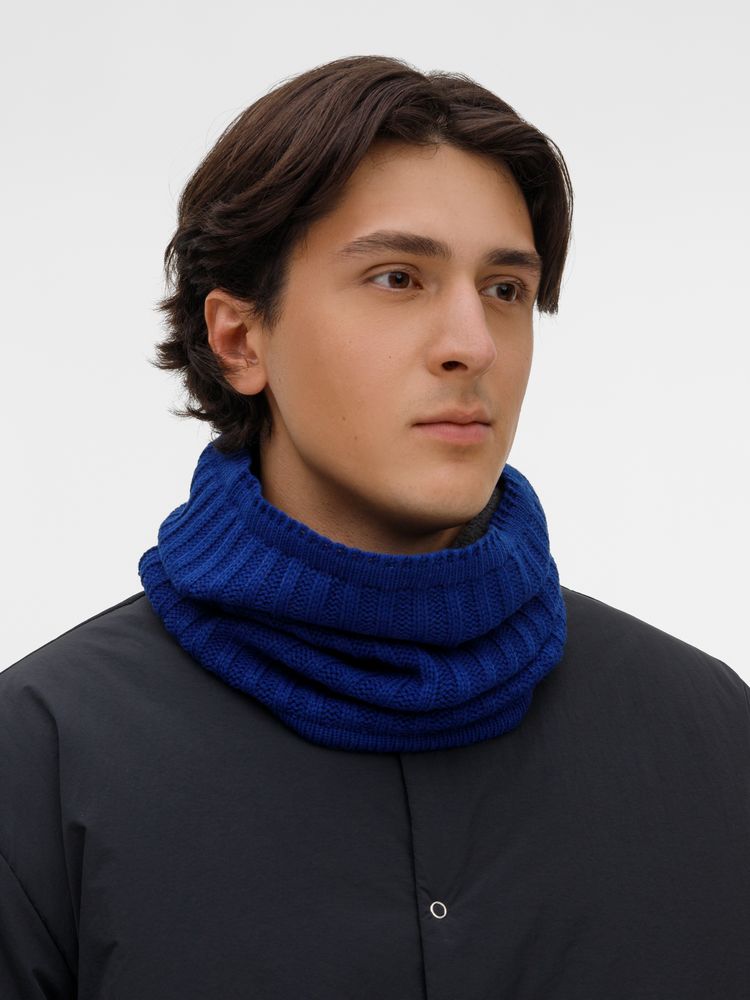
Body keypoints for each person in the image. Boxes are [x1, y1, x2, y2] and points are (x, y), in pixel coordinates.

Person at [1, 54, 748, 1000]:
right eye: (398, 278)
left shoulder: (711, 737)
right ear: (239, 339)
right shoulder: (40, 759)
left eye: (505, 290)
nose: (472, 345)